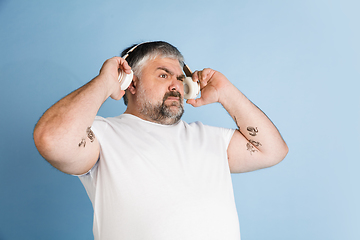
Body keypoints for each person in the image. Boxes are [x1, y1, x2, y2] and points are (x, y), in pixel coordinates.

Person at [33, 41, 288, 240]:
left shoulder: (211, 139)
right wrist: (104, 83)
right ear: (130, 83)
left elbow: (273, 151)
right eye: (164, 76)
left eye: (179, 78)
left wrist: (226, 93)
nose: (176, 85)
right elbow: (51, 139)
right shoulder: (102, 135)